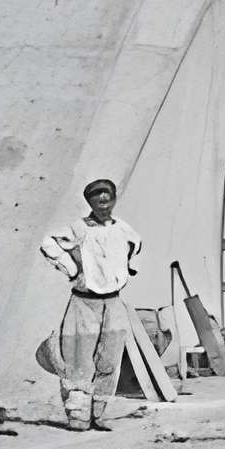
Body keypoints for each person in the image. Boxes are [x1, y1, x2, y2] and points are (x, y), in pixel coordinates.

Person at [36, 177, 142, 433]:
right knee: (78, 358)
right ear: (90, 203)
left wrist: (124, 270)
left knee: (109, 359)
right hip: (84, 303)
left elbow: (136, 246)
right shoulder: (80, 228)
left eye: (107, 201)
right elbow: (49, 243)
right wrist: (72, 269)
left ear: (113, 201)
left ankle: (99, 413)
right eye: (98, 202)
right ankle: (78, 416)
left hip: (113, 302)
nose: (103, 206)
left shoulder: (123, 229)